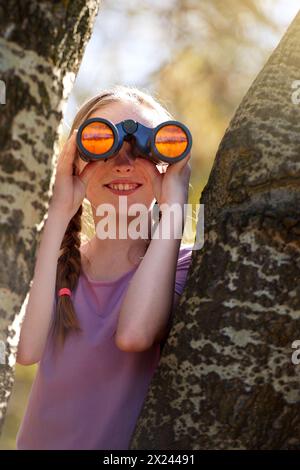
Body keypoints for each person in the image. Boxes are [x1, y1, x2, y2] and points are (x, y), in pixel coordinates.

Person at [16, 85, 193, 450]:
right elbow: (25, 349)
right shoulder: (59, 264)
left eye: (145, 149)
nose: (123, 163)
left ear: (171, 163)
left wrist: (174, 202)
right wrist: (59, 211)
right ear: (75, 160)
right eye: (102, 143)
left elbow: (135, 334)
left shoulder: (187, 266)